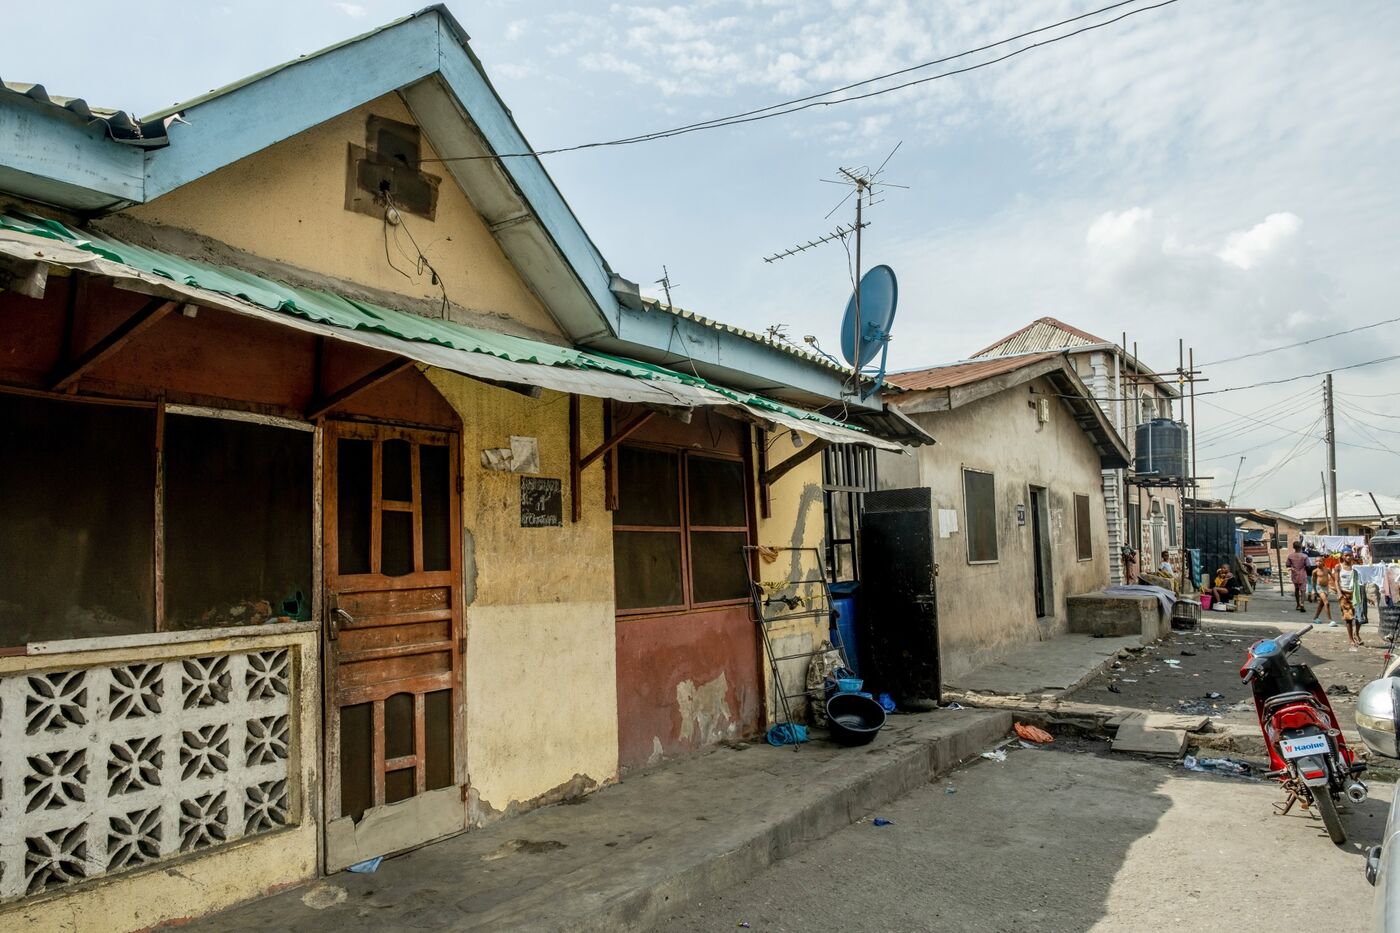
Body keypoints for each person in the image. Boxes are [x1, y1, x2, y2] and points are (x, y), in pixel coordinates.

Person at [1338, 552, 1363, 647]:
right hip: (1344, 594)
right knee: (1348, 618)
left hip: (1356, 594)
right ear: (1342, 556)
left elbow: (1361, 580)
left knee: (1359, 616)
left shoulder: (1356, 567)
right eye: (1346, 555)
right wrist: (1339, 592)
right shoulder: (1338, 567)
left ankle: (1356, 633)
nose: (1348, 557)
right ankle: (1350, 638)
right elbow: (1336, 580)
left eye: (1350, 555)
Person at [1285, 541, 1309, 612]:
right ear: (1301, 547)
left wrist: (1293, 567)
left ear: (1293, 547)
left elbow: (1287, 565)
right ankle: (1302, 604)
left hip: (1294, 574)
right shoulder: (1305, 556)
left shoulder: (1290, 556)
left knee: (1296, 589)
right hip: (1303, 574)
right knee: (1303, 590)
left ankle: (1298, 604)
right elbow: (1308, 566)